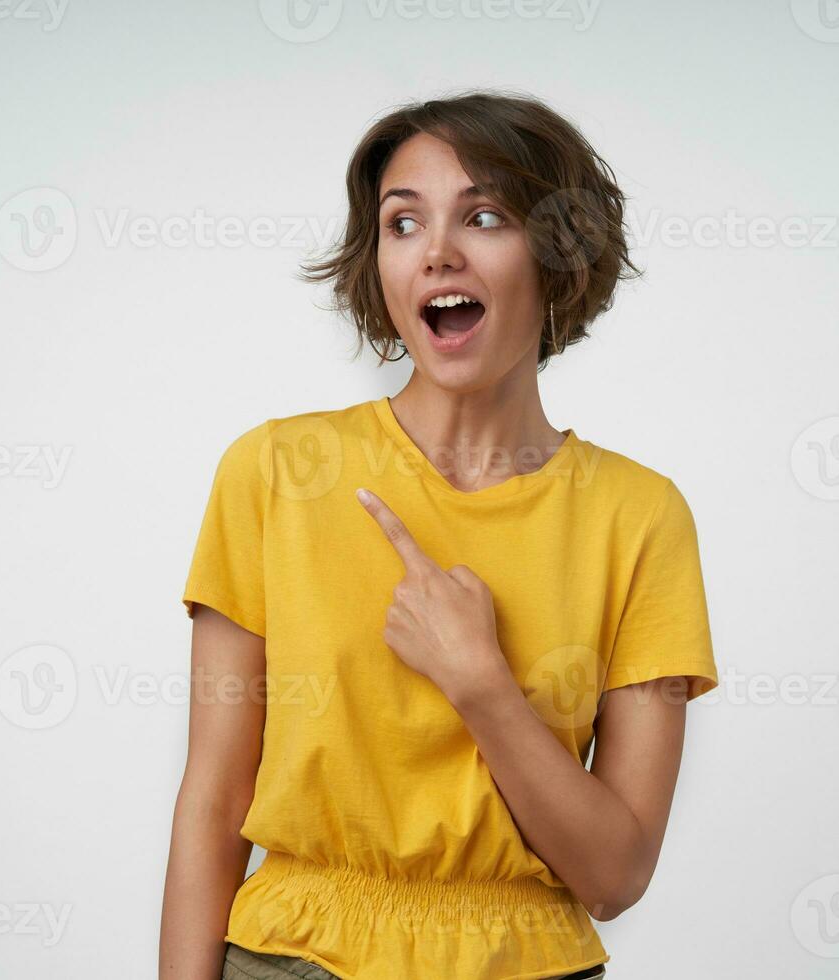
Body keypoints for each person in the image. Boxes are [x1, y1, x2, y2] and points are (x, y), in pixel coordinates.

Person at [158, 90, 719, 980]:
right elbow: (213, 799)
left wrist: (480, 682)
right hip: (294, 959)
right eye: (403, 222)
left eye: (485, 216)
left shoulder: (639, 516)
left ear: (559, 253)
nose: (437, 253)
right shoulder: (276, 471)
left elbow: (615, 873)